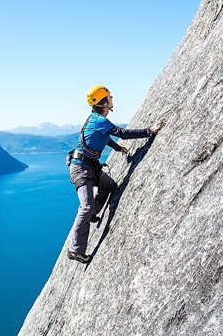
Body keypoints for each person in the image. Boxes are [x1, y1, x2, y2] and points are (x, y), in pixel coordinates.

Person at [67, 84, 163, 263]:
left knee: (109, 186)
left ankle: (93, 213)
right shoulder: (99, 120)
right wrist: (149, 131)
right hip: (80, 168)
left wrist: (117, 148)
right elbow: (121, 133)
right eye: (109, 97)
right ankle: (75, 250)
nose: (112, 99)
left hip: (89, 166)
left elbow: (106, 136)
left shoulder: (97, 120)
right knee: (85, 207)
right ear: (103, 102)